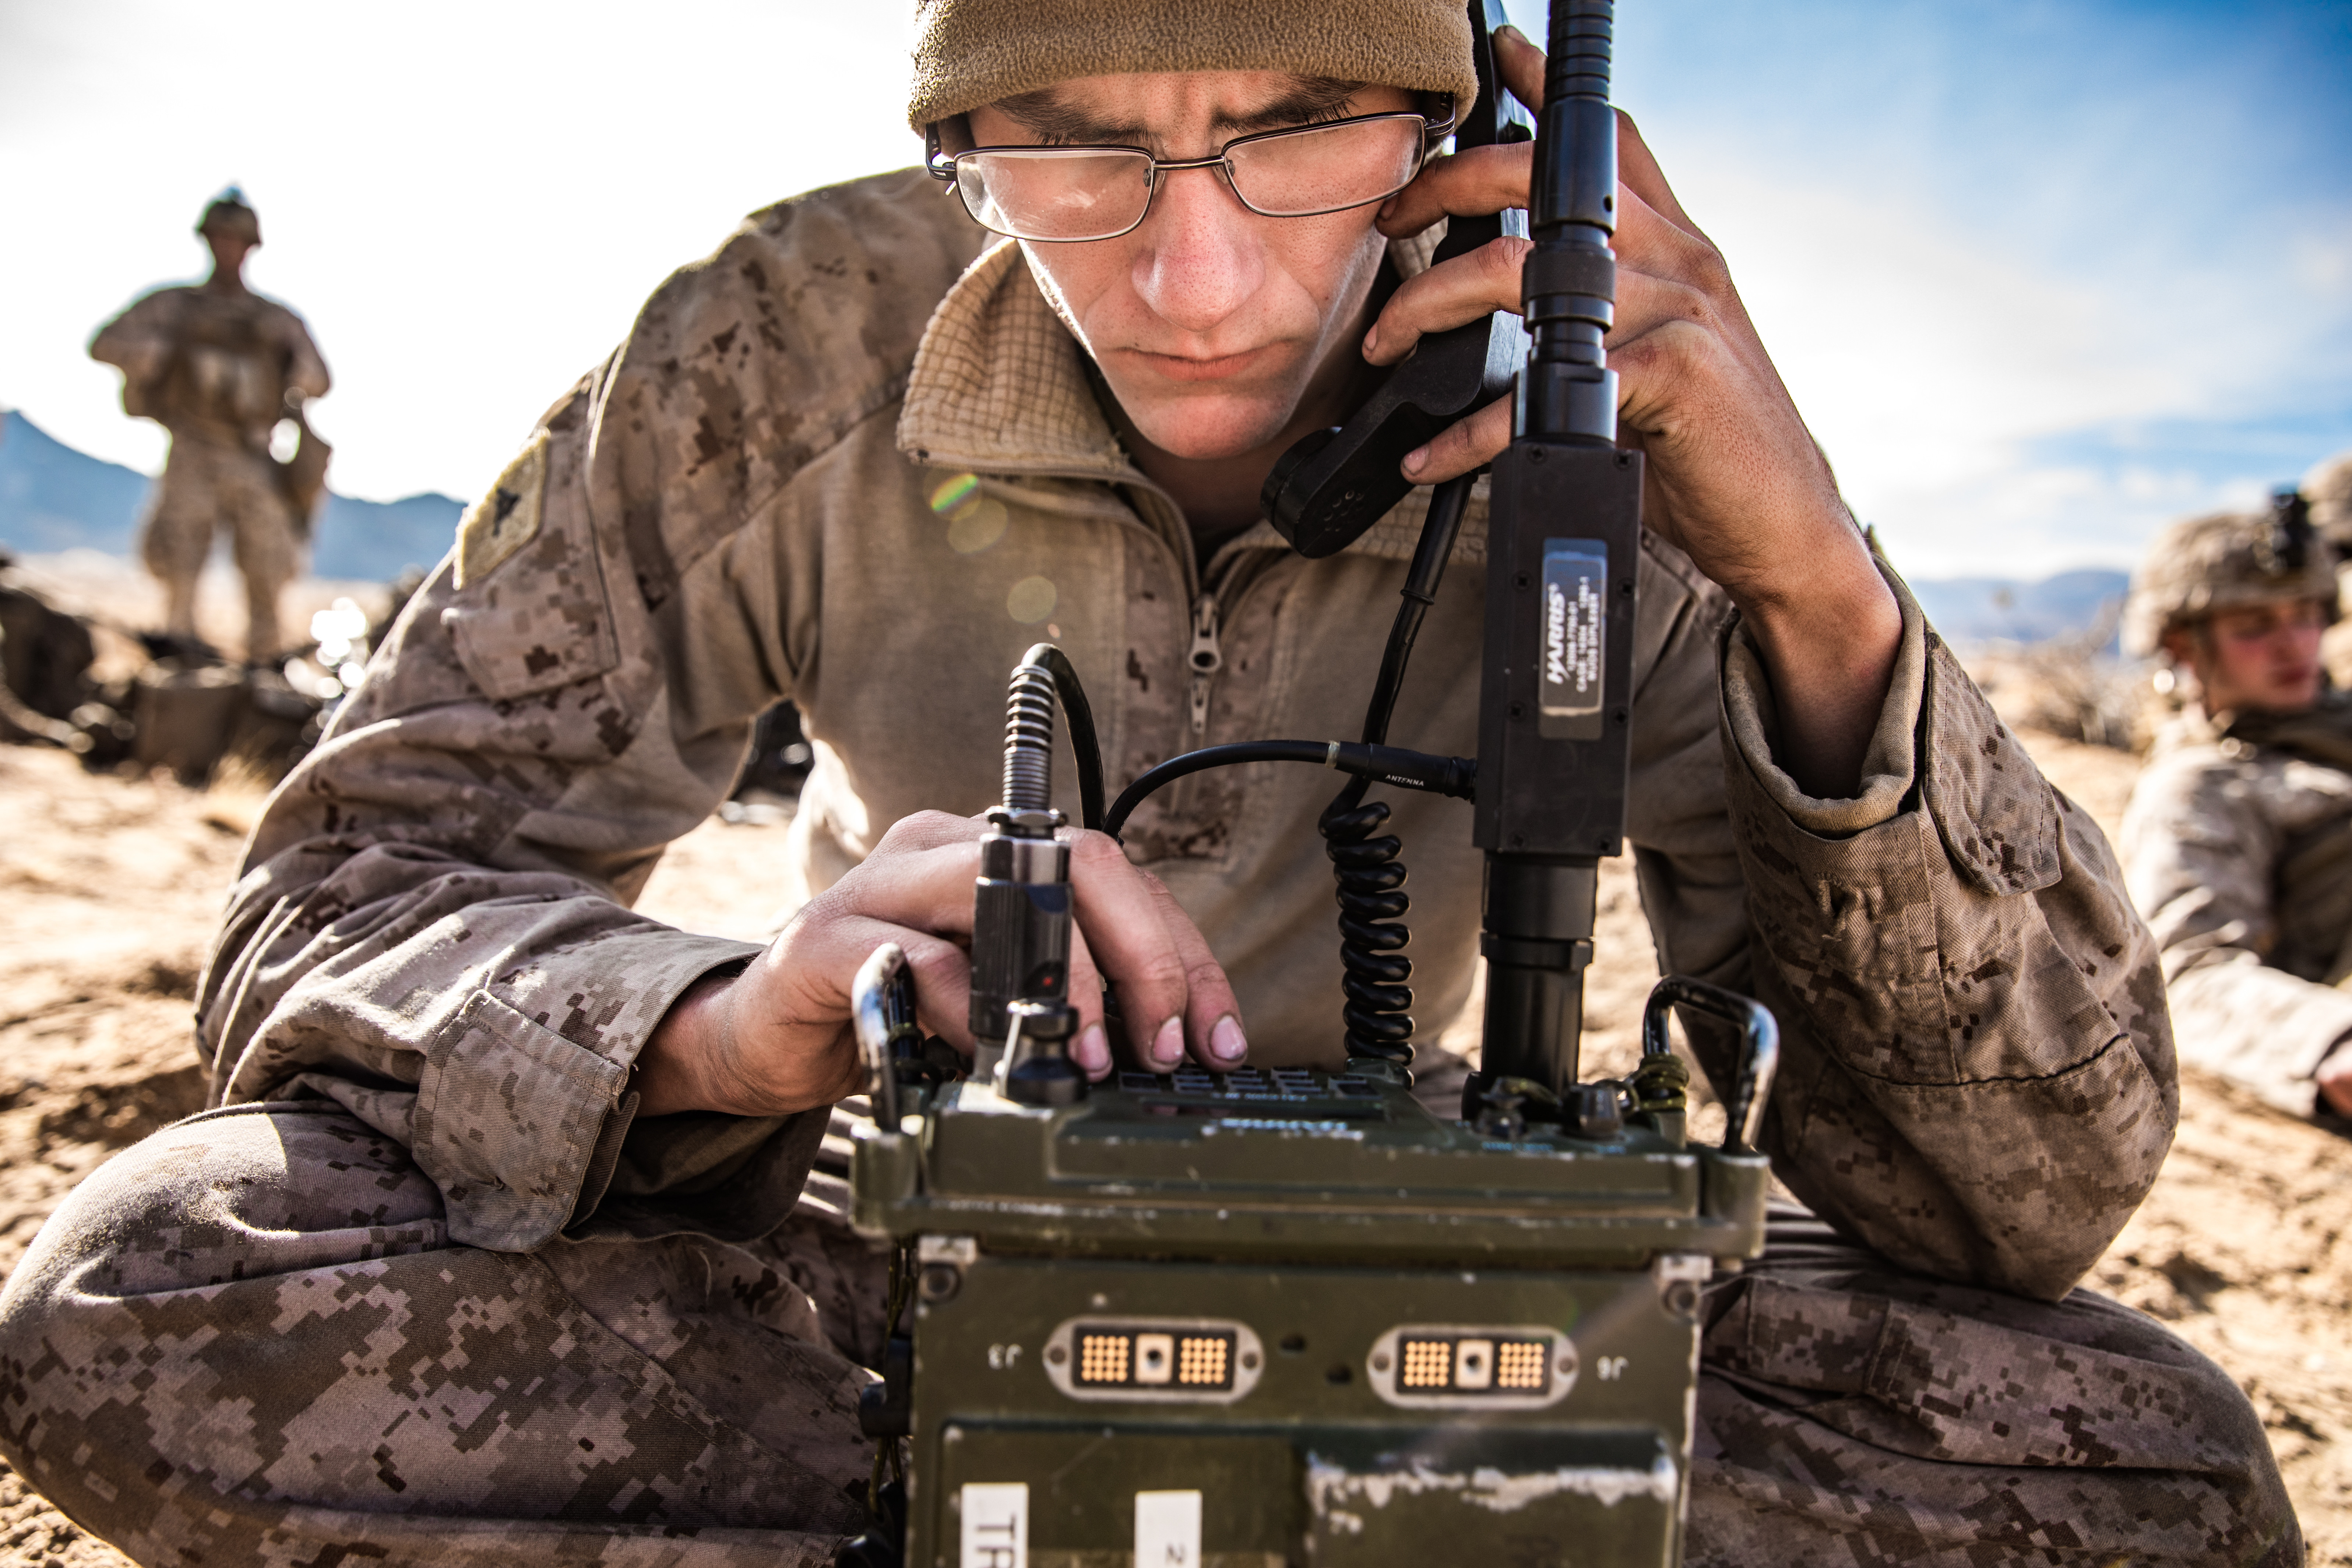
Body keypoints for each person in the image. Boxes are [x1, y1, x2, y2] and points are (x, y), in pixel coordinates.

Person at [0, 6, 2296, 1564]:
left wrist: (1809, 590)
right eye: (1070, 142)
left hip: (1493, 1310)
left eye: (1296, 121)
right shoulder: (780, 338)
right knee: (143, 1287)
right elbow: (360, 883)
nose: (1190, 273)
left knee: (2147, 1460)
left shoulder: (1626, 407)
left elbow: (2019, 1201)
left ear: (1462, 128)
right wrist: (726, 1017)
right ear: (953, 132)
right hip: (900, 1248)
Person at [2121, 494, 2352, 1122]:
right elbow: (2189, 975)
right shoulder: (2200, 788)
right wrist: (2330, 1039)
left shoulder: (2335, 730)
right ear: (2183, 645)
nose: (2294, 646)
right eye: (2254, 627)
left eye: (2306, 616)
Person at [88, 188, 331, 663]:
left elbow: (321, 380)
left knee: (269, 566)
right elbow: (105, 343)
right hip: (192, 452)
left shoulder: (273, 320)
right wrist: (154, 355)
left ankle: (264, 667)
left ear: (251, 247)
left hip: (253, 456)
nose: (228, 248)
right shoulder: (174, 307)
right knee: (179, 564)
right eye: (220, 238)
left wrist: (291, 365)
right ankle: (178, 664)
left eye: (236, 240)